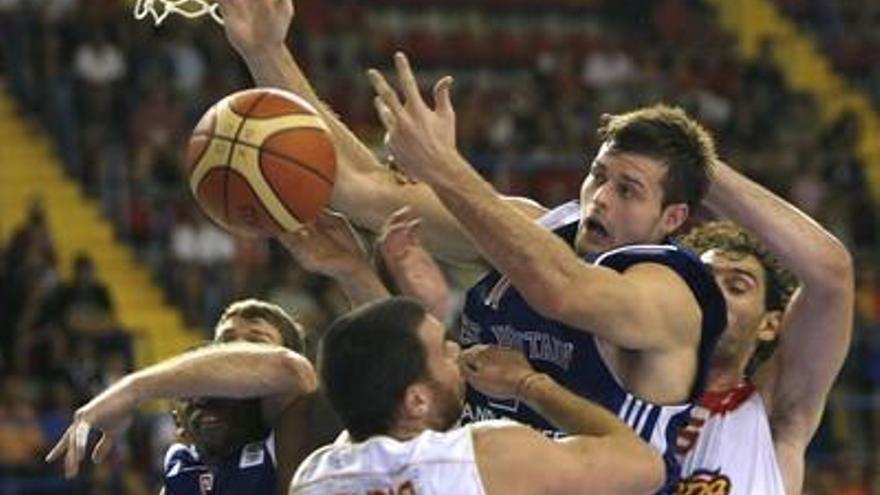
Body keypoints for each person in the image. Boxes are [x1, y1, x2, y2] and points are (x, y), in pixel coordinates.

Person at [216, 2, 727, 491]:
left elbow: (562, 292)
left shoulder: (667, 292)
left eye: (628, 191)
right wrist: (266, 52)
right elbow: (359, 190)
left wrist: (443, 167)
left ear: (673, 218)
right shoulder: (531, 229)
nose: (601, 200)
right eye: (598, 176)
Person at [292, 296, 664, 495]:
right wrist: (529, 385)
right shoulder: (484, 458)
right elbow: (646, 467)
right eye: (443, 351)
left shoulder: (313, 477)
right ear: (416, 401)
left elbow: (364, 380)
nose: (457, 351)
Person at [672, 160, 853, 494]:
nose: (714, 294)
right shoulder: (630, 387)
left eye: (737, 286)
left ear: (769, 325)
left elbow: (831, 277)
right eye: (704, 282)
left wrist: (693, 163)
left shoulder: (775, 412)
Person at [46, 299, 320, 495]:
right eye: (226, 342)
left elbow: (290, 371)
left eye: (256, 341)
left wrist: (131, 390)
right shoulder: (184, 464)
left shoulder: (289, 429)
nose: (236, 349)